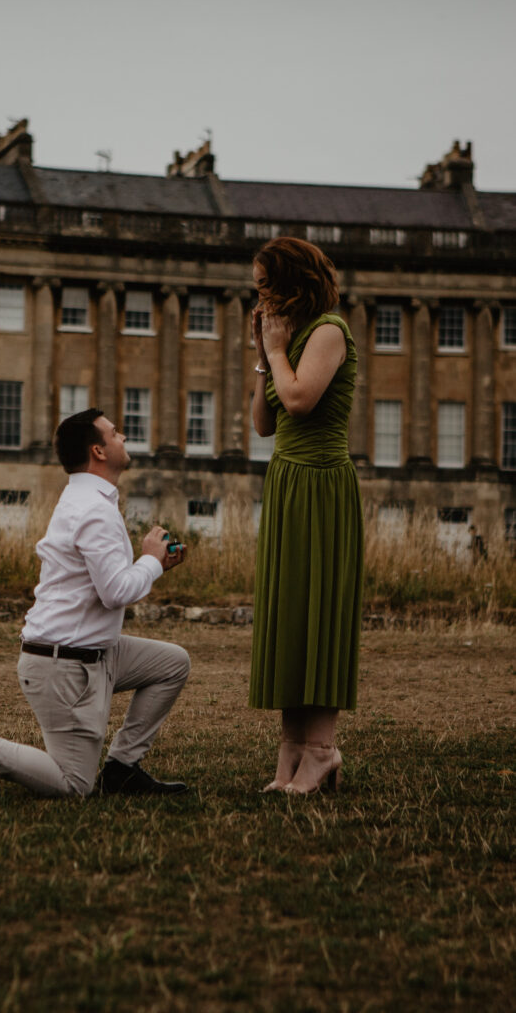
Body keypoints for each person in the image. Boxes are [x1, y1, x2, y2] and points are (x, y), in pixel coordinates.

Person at [0, 408, 191, 801]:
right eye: (115, 433)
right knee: (73, 785)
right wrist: (150, 558)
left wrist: (153, 565)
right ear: (98, 450)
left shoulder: (90, 499)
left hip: (97, 653)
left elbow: (109, 584)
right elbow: (116, 592)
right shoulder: (93, 509)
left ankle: (121, 769)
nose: (124, 438)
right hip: (63, 664)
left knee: (172, 663)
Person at [249, 237, 364, 795]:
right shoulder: (288, 340)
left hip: (321, 485)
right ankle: (292, 750)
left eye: (267, 286)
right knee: (290, 612)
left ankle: (321, 749)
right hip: (287, 481)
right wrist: (261, 355)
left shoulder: (328, 332)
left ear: (294, 283)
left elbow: (298, 401)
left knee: (319, 611)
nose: (261, 297)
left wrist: (276, 352)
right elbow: (263, 424)